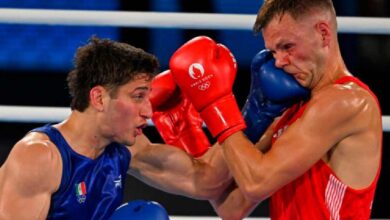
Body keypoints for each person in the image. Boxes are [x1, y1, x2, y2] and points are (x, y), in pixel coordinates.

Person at [168, 0, 382, 219]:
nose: (279, 62)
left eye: (287, 46)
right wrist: (188, 132)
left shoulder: (346, 101)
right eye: (272, 51)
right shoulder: (292, 107)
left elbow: (256, 183)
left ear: (323, 34)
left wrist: (217, 104)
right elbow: (231, 207)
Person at [0, 36, 234, 220]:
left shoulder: (124, 149)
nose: (149, 112)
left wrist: (256, 111)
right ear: (99, 98)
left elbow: (205, 181)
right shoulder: (39, 158)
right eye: (138, 96)